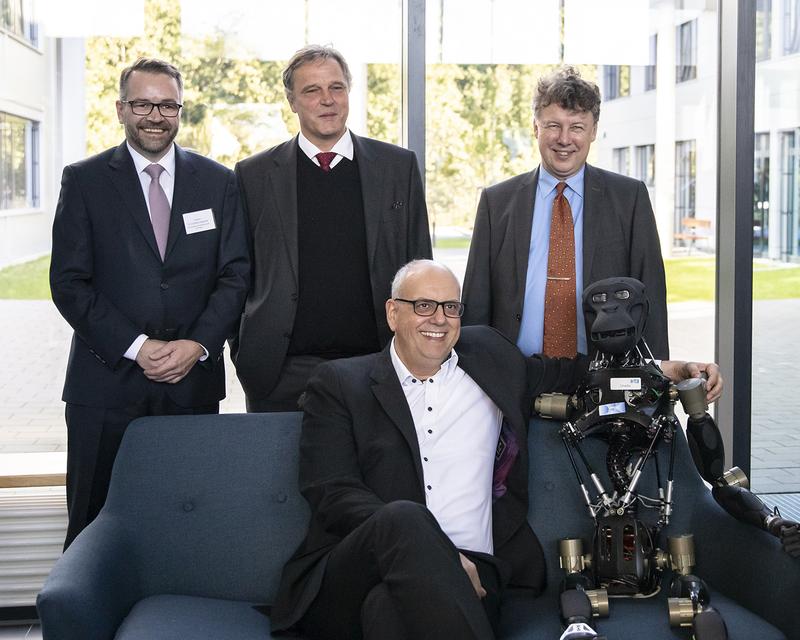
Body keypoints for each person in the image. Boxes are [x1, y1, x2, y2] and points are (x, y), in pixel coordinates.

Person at [269, 259, 721, 639]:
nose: (439, 319)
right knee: (404, 518)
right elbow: (332, 492)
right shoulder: (341, 384)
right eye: (423, 305)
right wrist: (438, 557)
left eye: (450, 306)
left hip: (477, 576)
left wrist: (672, 368)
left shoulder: (490, 358)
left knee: (388, 613)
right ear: (393, 313)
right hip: (356, 568)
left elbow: (575, 374)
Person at [49, 57, 250, 548]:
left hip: (192, 387)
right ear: (120, 109)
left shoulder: (218, 182)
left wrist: (198, 345)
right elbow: (69, 282)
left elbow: (236, 274)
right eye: (143, 104)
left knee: (190, 525)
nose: (155, 116)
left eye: (167, 105)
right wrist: (137, 347)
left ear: (181, 110)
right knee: (94, 527)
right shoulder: (86, 180)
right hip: (105, 386)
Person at [232, 44, 432, 412]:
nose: (327, 100)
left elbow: (420, 266)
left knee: (377, 471)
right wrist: (246, 355)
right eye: (312, 90)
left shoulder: (397, 168)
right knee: (280, 471)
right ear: (292, 101)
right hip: (280, 372)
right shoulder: (253, 175)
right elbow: (237, 275)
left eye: (336, 88)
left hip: (378, 365)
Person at [462, 66, 669, 360]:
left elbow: (652, 302)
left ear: (593, 131)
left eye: (576, 127)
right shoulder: (497, 203)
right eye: (553, 125)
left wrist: (655, 377)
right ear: (535, 127)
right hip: (514, 376)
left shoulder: (629, 199)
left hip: (604, 374)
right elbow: (476, 303)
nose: (564, 139)